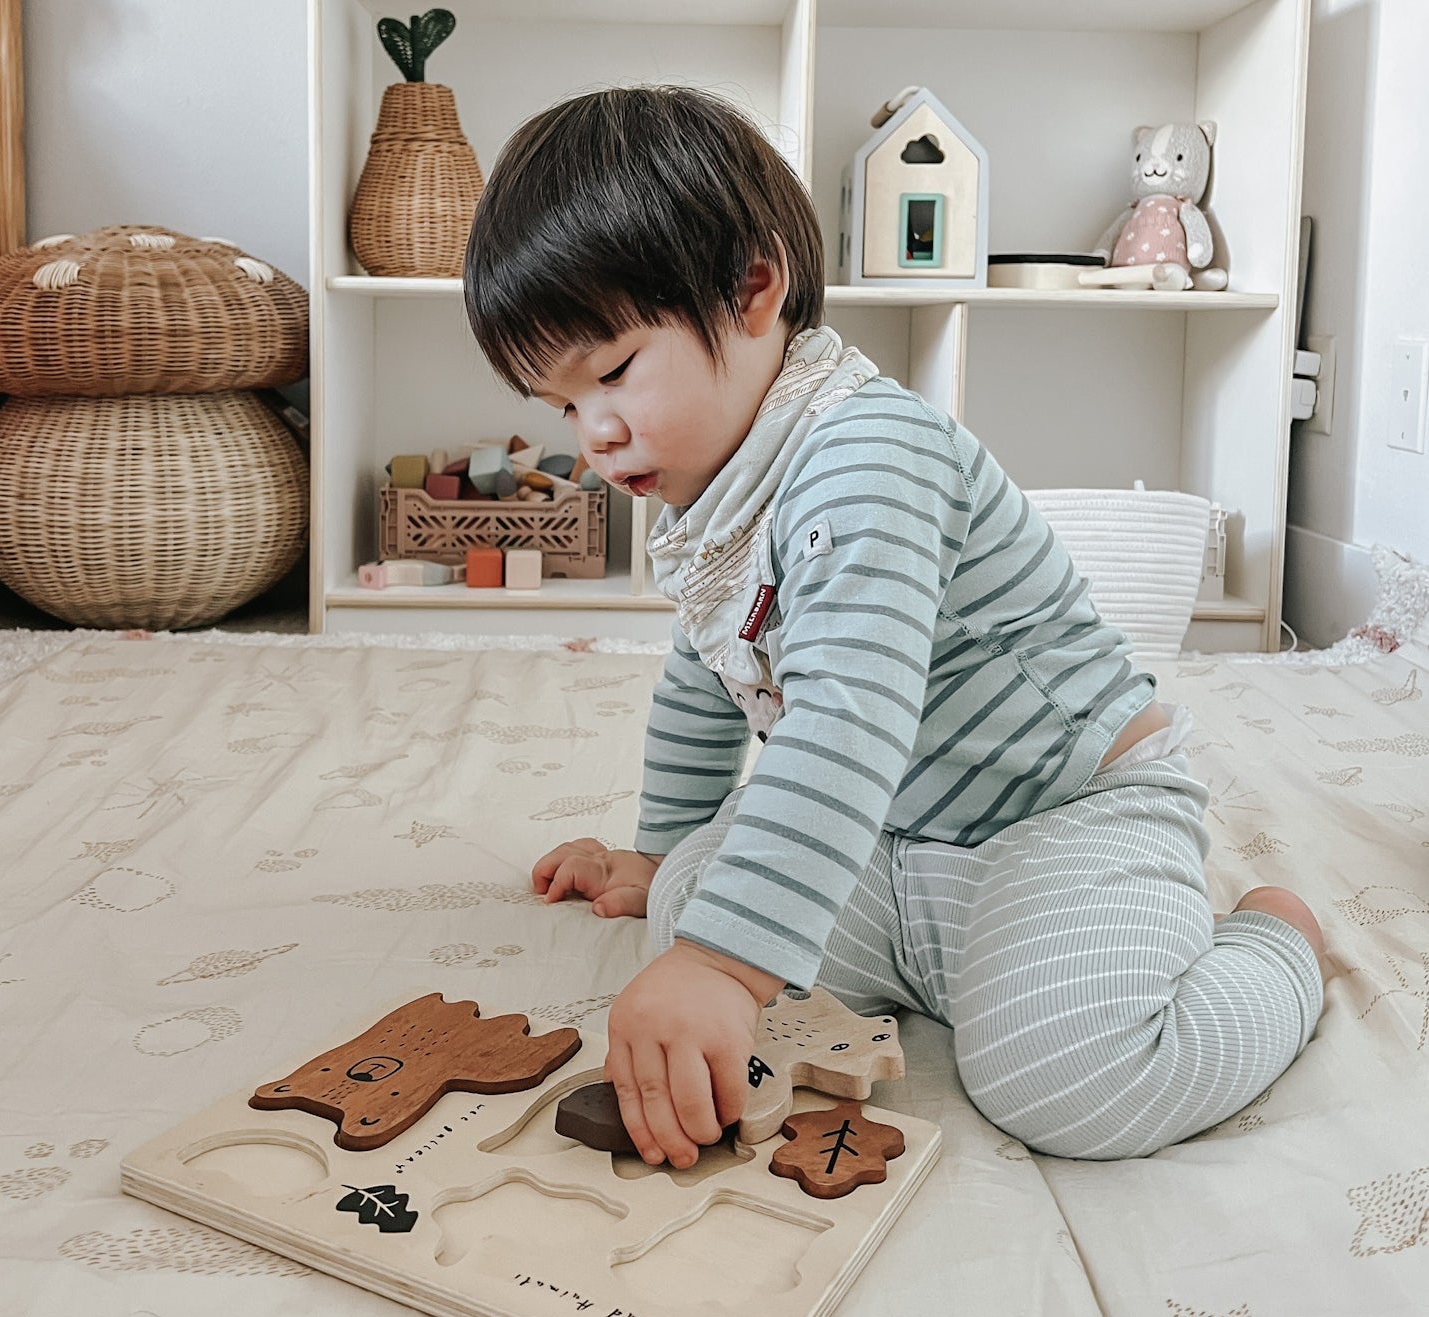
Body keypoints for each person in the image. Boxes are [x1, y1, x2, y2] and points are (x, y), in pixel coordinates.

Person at [462, 84, 1326, 1171]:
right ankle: (948, 956)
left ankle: (1274, 943)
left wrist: (729, 965)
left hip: (1056, 805)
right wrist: (658, 847)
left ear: (752, 290)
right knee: (690, 894)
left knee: (1074, 1086)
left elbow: (846, 718)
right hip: (897, 833)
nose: (595, 432)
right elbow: (705, 667)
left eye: (617, 371)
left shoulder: (868, 453)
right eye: (560, 406)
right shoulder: (707, 493)